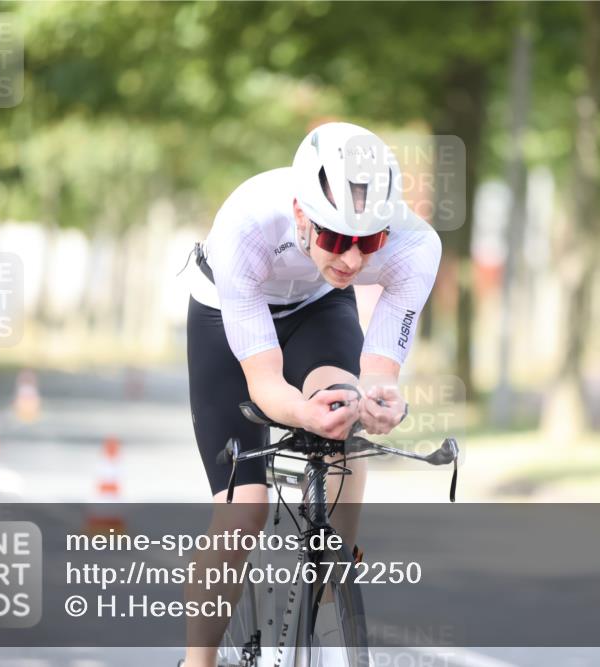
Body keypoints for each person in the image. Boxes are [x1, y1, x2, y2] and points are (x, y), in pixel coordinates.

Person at [182, 121, 441, 667]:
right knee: (242, 511)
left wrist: (378, 396)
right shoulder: (247, 225)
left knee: (345, 416)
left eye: (368, 243)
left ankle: (335, 579)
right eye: (334, 239)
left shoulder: (414, 244)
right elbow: (266, 384)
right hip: (226, 312)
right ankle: (198, 661)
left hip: (318, 308)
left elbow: (378, 369)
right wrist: (301, 411)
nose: (351, 260)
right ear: (302, 215)